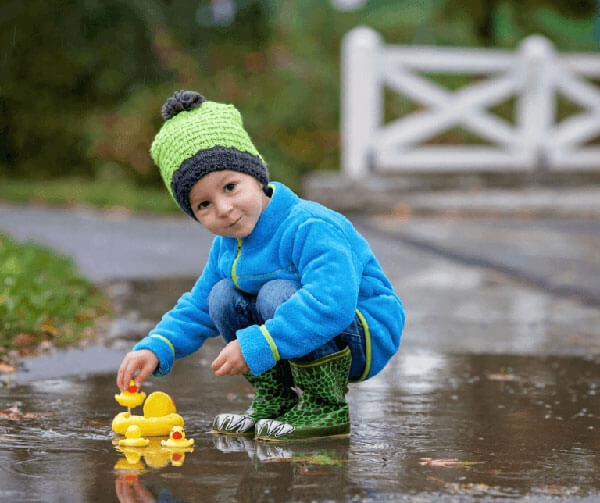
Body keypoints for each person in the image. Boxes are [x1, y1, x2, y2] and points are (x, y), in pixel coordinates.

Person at [116, 90, 405, 441]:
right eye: (203, 204)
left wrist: (261, 342)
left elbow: (333, 300)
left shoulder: (308, 225)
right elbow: (198, 305)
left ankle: (325, 404)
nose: (223, 209)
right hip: (293, 334)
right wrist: (156, 345)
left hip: (361, 331)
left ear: (256, 175)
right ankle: (276, 398)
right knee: (221, 295)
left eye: (231, 186)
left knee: (275, 292)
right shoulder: (227, 246)